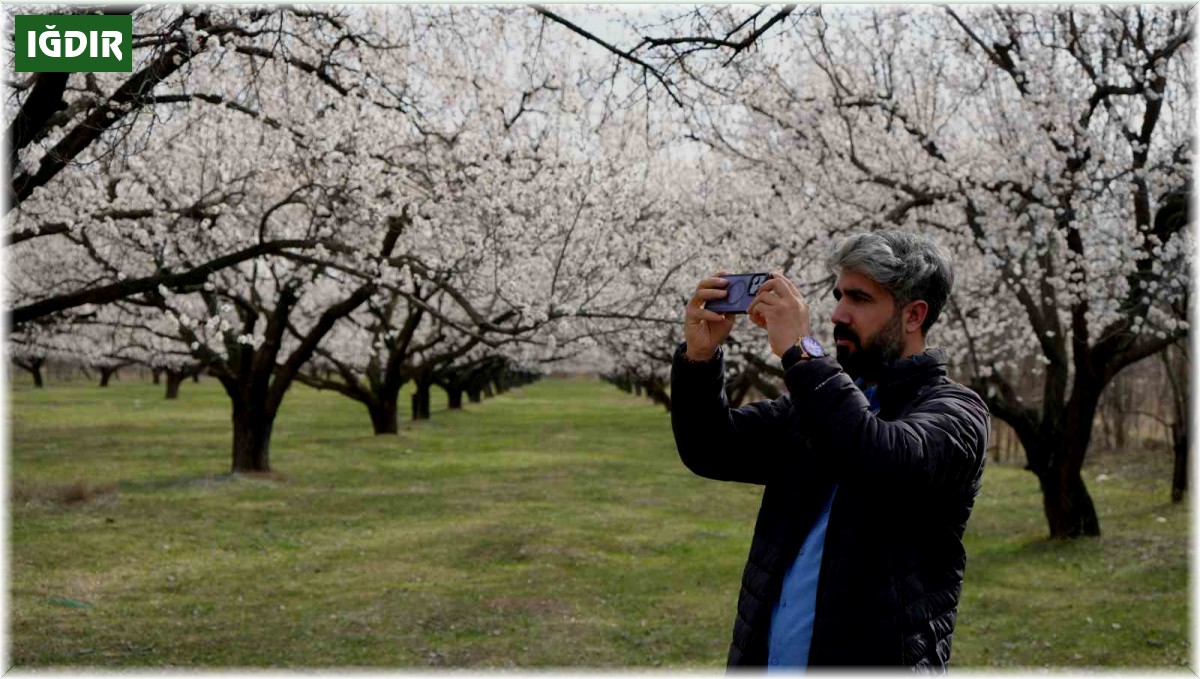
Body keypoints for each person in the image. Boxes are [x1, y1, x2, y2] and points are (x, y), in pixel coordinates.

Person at [670, 230, 989, 671]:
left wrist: (803, 353)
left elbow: (883, 458)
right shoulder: (819, 403)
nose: (837, 314)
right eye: (839, 295)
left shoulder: (957, 413)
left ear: (914, 315)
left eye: (859, 299)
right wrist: (700, 360)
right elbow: (711, 447)